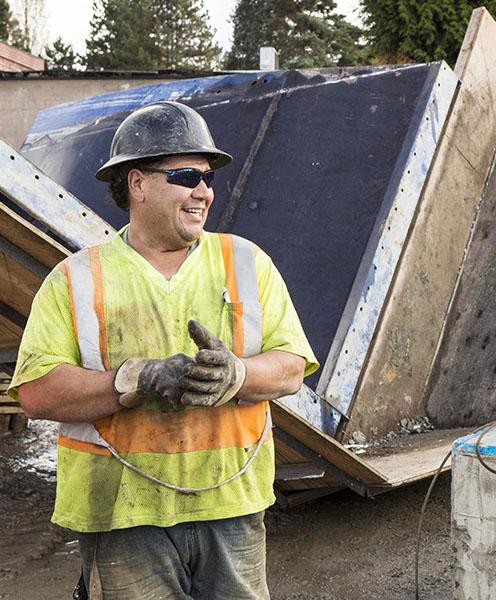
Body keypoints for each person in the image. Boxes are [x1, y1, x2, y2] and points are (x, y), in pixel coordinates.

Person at [8, 100, 318, 599]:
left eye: (208, 178)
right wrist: (135, 379)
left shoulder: (246, 262)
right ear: (137, 183)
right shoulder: (76, 279)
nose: (203, 190)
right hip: (121, 515)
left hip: (231, 507)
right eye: (186, 175)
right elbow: (37, 395)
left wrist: (236, 374)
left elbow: (290, 370)